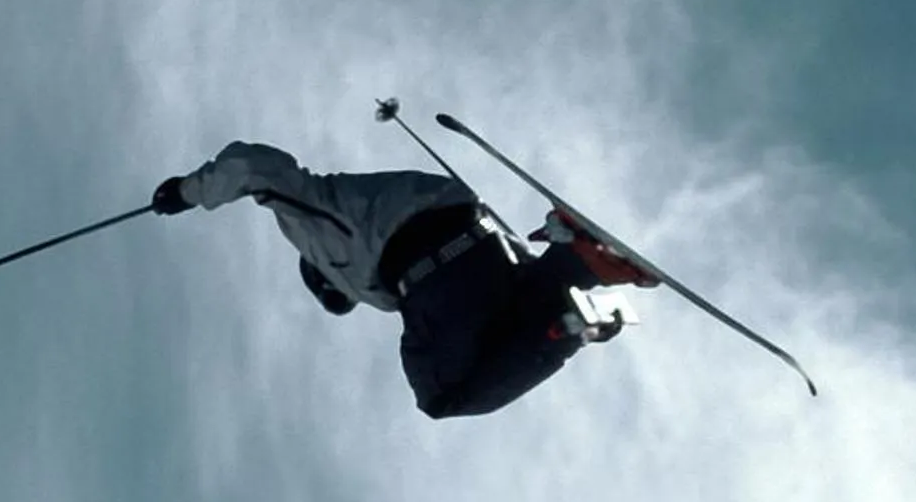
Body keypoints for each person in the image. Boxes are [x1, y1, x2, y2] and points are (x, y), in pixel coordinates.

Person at [153, 142, 651, 420]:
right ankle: (576, 264)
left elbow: (254, 166)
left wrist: (188, 192)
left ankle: (566, 324)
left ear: (326, 280)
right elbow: (497, 278)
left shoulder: (319, 224)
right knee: (497, 320)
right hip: (477, 238)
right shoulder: (367, 207)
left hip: (429, 263)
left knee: (439, 395)